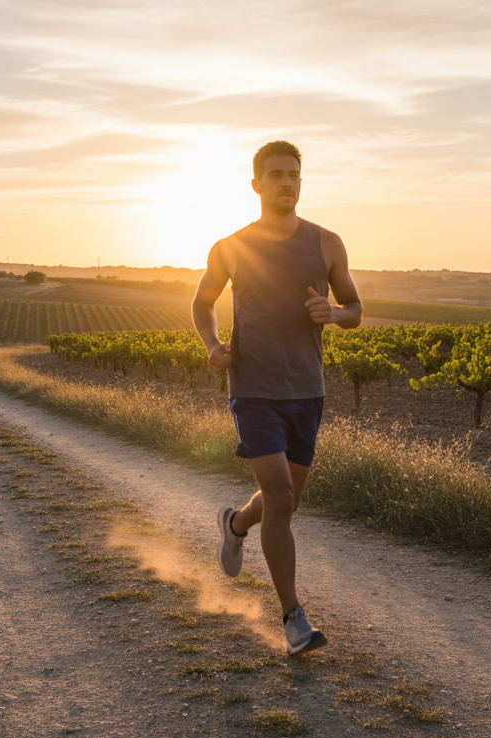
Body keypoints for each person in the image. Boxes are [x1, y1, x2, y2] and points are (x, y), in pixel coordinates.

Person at [191, 140, 362, 655]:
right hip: (254, 389)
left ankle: (235, 523)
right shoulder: (230, 247)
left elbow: (354, 307)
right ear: (257, 185)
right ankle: (293, 619)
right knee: (283, 498)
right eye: (276, 175)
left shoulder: (327, 243)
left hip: (307, 390)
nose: (287, 182)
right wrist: (213, 346)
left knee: (283, 500)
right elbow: (202, 304)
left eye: (294, 174)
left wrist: (335, 314)